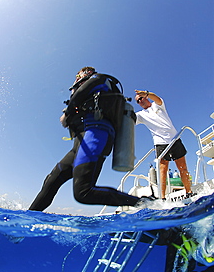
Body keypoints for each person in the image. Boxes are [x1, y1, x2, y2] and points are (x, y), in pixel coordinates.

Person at [29, 67, 143, 212]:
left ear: (87, 74)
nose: (76, 78)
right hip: (80, 141)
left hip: (96, 134)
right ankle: (26, 219)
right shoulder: (90, 88)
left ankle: (144, 203)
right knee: (52, 180)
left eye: (79, 75)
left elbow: (82, 93)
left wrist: (67, 115)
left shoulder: (99, 79)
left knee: (83, 192)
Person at [135, 90, 193, 200]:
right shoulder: (140, 115)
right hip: (160, 143)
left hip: (175, 140)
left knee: (183, 168)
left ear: (146, 97)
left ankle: (189, 192)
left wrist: (146, 93)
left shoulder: (157, 105)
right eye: (138, 101)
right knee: (162, 170)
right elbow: (128, 118)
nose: (140, 101)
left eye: (141, 98)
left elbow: (157, 98)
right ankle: (162, 198)